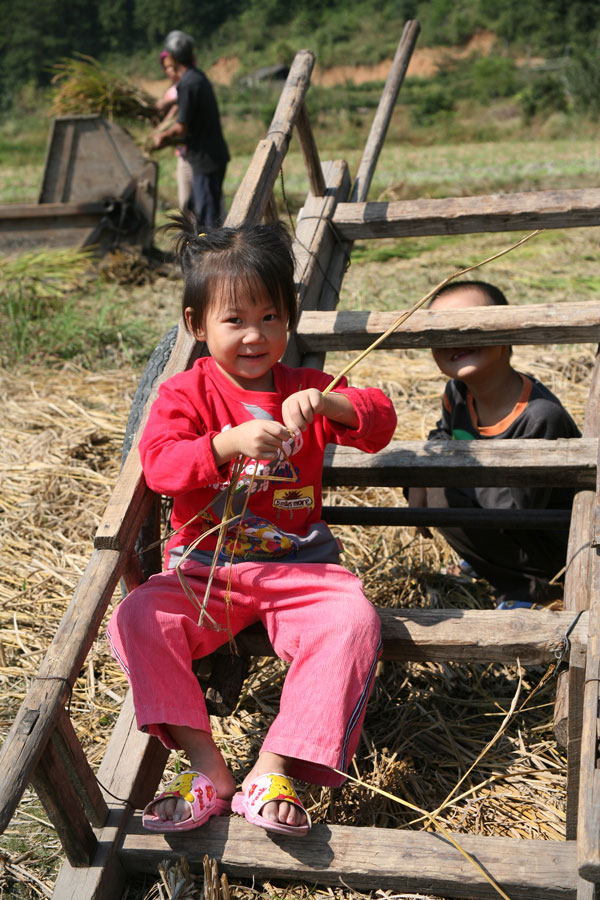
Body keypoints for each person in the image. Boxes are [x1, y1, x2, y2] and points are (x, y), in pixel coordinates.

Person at [107, 217, 397, 835]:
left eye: (270, 318)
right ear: (197, 325)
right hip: (206, 570)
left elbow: (381, 421)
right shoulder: (185, 394)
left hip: (300, 567)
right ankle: (207, 766)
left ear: (289, 320)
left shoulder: (304, 387)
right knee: (135, 620)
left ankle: (274, 766)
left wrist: (331, 403)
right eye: (234, 320)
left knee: (352, 621)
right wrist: (223, 443)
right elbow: (159, 464)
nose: (254, 336)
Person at [408, 280, 580, 610]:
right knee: (433, 487)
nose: (454, 338)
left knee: (442, 496)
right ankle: (489, 561)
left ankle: (528, 590)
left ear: (506, 331)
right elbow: (441, 436)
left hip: (553, 548)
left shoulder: (541, 416)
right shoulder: (457, 394)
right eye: (439, 332)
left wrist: (439, 479)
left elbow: (515, 512)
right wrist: (420, 476)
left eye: (469, 326)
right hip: (500, 523)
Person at [152, 30, 230, 225]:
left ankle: (213, 253)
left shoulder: (187, 84)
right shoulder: (196, 77)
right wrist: (168, 106)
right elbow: (188, 105)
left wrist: (161, 138)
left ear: (171, 57)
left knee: (208, 217)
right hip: (211, 157)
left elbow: (181, 128)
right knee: (195, 211)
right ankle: (202, 250)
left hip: (205, 160)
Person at [152, 51, 193, 211]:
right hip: (183, 154)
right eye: (166, 67)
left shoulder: (191, 84)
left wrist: (161, 131)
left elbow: (177, 111)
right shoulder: (170, 92)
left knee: (210, 206)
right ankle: (195, 235)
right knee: (186, 206)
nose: (170, 70)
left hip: (202, 155)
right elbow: (168, 119)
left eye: (171, 66)